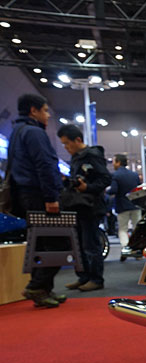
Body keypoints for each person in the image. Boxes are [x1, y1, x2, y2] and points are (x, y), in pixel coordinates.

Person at [7, 94, 66, 308]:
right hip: (39, 196)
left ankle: (43, 290)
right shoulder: (34, 132)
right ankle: (36, 286)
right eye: (45, 110)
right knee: (59, 243)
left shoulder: (17, 131)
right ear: (34, 110)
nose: (48, 115)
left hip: (25, 196)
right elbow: (44, 165)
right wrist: (51, 197)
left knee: (40, 244)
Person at [56, 124, 111, 292]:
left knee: (90, 244)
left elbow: (105, 179)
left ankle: (96, 279)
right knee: (79, 244)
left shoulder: (92, 155)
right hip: (77, 206)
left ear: (78, 140)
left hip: (90, 206)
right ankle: (84, 277)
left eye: (67, 143)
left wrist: (87, 187)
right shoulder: (76, 157)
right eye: (63, 144)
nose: (66, 147)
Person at [109, 153, 141, 256]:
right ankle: (137, 248)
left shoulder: (116, 175)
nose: (113, 164)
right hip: (135, 205)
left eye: (114, 161)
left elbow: (113, 190)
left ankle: (126, 249)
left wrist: (106, 191)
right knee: (137, 228)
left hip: (122, 206)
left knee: (123, 228)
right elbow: (139, 189)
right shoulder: (134, 175)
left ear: (118, 162)